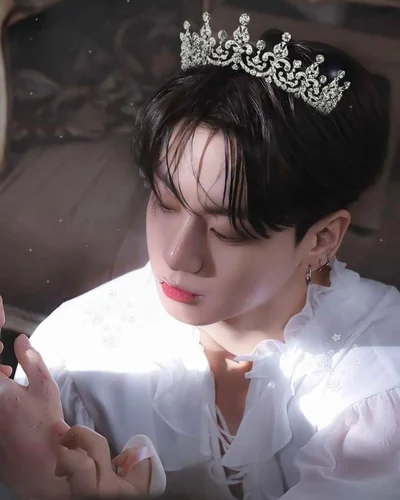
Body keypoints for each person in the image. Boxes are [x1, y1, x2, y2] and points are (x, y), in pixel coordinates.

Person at [1, 9, 400, 500]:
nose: (177, 255)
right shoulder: (79, 350)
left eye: (228, 230)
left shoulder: (378, 380)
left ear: (321, 239)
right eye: (165, 203)